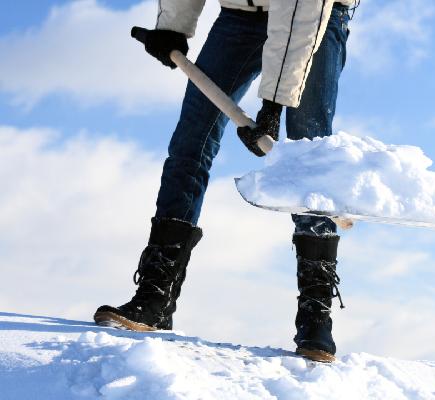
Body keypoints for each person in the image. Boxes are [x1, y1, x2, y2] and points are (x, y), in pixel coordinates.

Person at [94, 0, 354, 363]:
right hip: (240, 15)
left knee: (307, 156)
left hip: (314, 19)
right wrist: (174, 23)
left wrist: (274, 103)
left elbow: (301, 8)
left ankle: (315, 314)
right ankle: (156, 296)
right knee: (190, 142)